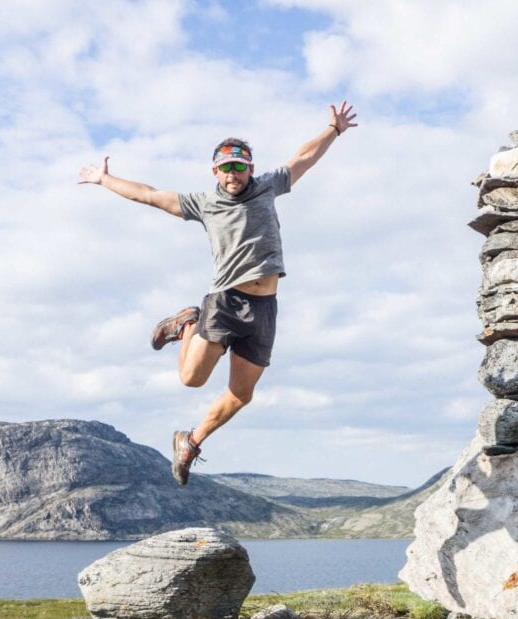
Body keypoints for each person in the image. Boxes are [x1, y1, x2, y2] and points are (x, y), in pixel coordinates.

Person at [78, 102, 358, 485]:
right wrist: (105, 180)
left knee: (241, 395)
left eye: (239, 166)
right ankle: (188, 322)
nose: (233, 174)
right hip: (226, 301)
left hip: (264, 308)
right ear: (216, 171)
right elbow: (151, 195)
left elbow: (304, 158)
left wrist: (334, 129)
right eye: (226, 167)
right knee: (191, 380)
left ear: (249, 168)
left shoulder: (268, 186)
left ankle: (190, 442)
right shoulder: (204, 204)